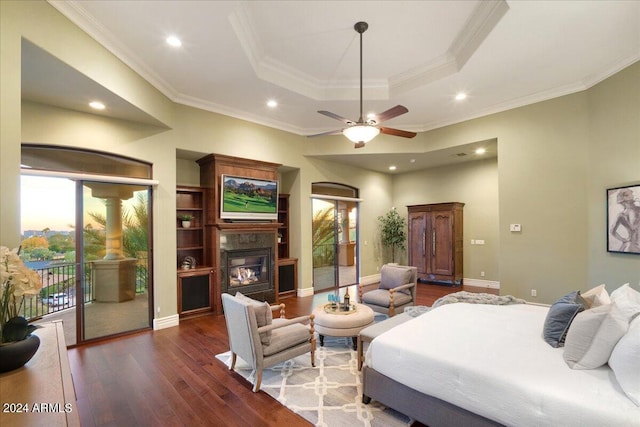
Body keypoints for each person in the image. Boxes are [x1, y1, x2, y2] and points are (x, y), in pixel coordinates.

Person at [610, 188, 640, 252]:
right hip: (632, 246)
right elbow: (612, 230)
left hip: (633, 245)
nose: (633, 195)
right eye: (629, 194)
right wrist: (623, 240)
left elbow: (612, 231)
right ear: (624, 199)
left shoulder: (637, 209)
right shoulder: (622, 215)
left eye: (632, 194)